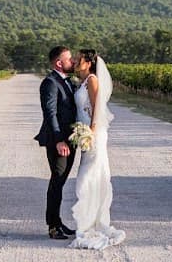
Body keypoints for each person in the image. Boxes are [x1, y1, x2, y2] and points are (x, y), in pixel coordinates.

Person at [68, 49, 125, 250]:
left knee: (88, 176)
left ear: (89, 63)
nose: (75, 61)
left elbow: (96, 107)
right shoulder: (82, 82)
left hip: (93, 134)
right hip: (85, 133)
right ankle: (87, 221)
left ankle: (93, 222)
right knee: (87, 175)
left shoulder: (92, 80)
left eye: (79, 59)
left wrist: (90, 132)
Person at [34, 45, 78, 240]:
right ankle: (53, 226)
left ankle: (58, 222)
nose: (73, 62)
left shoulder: (68, 82)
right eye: (69, 59)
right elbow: (50, 113)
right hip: (58, 141)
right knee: (57, 182)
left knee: (59, 183)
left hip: (70, 140)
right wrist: (60, 140)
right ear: (59, 63)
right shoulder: (50, 83)